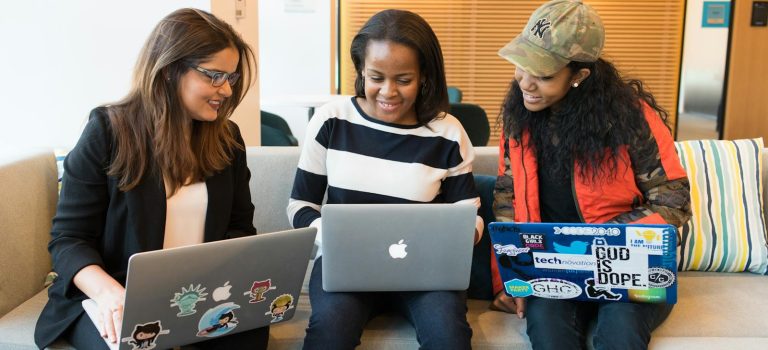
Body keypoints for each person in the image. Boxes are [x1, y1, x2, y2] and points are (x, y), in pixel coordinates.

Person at [33, 8, 267, 349]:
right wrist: (112, 295)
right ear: (171, 70)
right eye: (214, 75)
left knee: (249, 336)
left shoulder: (227, 140)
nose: (227, 90)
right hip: (114, 294)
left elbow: (240, 230)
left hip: (197, 297)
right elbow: (69, 240)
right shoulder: (107, 131)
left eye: (230, 78)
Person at [490, 1, 692, 349]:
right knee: (548, 332)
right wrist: (512, 281)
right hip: (552, 270)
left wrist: (598, 240)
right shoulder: (518, 120)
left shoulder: (632, 118)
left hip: (631, 267)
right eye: (521, 66)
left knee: (620, 333)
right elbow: (507, 201)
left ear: (579, 76)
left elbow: (673, 200)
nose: (525, 82)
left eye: (544, 74)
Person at [287, 9, 483, 350]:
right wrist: (332, 238)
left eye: (403, 79)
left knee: (448, 337)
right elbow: (300, 205)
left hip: (427, 274)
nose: (388, 92)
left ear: (424, 76)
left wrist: (464, 236)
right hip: (345, 268)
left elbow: (470, 214)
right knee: (329, 333)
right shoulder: (333, 120)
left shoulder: (448, 133)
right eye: (376, 76)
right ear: (361, 69)